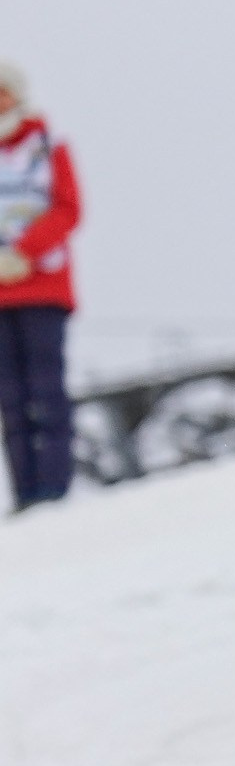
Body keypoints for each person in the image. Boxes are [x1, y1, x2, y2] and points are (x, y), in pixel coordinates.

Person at [0, 62, 81, 512]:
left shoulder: (49, 145)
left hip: (43, 288)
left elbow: (68, 208)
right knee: (9, 398)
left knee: (45, 390)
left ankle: (55, 488)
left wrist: (24, 253)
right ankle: (26, 495)